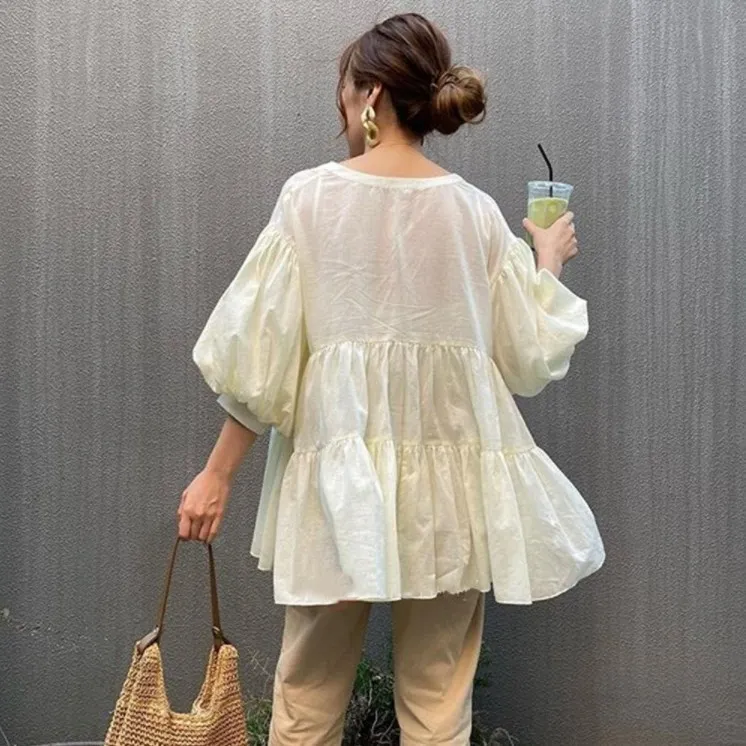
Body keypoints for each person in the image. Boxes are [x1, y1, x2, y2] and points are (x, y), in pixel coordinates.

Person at [181, 12, 605, 746]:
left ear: (371, 94)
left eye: (344, 92)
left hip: (337, 485)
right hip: (451, 494)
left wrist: (217, 475)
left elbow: (262, 360)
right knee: (439, 704)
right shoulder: (475, 214)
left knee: (307, 698)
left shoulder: (310, 199)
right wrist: (547, 262)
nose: (340, 108)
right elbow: (528, 355)